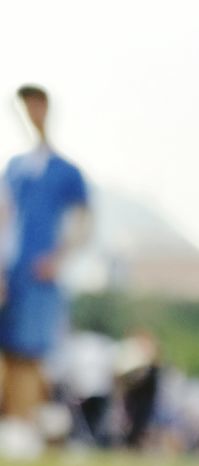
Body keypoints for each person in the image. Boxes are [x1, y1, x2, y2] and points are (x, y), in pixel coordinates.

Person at [0, 86, 89, 431]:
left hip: (40, 275)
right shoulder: (14, 168)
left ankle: (25, 425)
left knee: (29, 350)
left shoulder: (66, 171)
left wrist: (58, 259)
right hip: (11, 273)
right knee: (8, 350)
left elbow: (82, 222)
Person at [58, 326, 116, 444]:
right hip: (95, 392)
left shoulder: (76, 346)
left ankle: (86, 438)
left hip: (84, 392)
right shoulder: (104, 346)